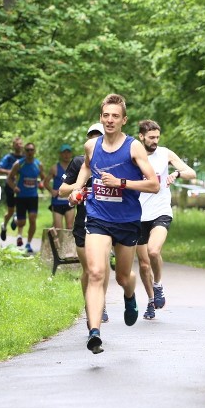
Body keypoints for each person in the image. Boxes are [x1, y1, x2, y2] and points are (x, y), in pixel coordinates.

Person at [67, 94, 159, 354]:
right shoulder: (91, 146)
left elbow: (153, 184)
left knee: (122, 276)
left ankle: (130, 296)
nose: (110, 120)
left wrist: (121, 183)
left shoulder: (133, 148)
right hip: (98, 217)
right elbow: (86, 168)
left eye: (115, 116)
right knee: (96, 272)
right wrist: (76, 189)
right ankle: (94, 332)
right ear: (100, 117)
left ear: (123, 120)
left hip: (128, 220)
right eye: (106, 115)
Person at [135, 120, 197, 320]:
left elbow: (191, 173)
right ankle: (151, 301)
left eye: (157, 138)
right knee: (144, 265)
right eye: (151, 137)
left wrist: (177, 173)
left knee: (154, 250)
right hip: (137, 214)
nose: (154, 141)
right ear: (141, 136)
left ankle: (158, 284)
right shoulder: (133, 154)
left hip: (161, 210)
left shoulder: (165, 153)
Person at [58, 123, 110, 322]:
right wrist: (79, 188)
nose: (94, 140)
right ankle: (90, 305)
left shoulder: (114, 163)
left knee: (101, 266)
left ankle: (100, 304)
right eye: (91, 137)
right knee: (89, 269)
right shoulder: (78, 162)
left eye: (99, 137)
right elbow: (62, 190)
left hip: (105, 222)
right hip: (83, 222)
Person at [6, 142, 45, 254]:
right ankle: (15, 219)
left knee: (32, 219)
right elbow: (9, 179)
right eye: (27, 150)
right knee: (22, 222)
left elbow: (43, 178)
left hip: (33, 196)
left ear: (34, 151)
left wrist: (42, 184)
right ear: (24, 151)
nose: (29, 152)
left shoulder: (38, 164)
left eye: (31, 150)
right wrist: (14, 187)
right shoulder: (19, 164)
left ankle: (28, 243)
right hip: (21, 196)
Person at [0, 136, 23, 241]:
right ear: (13, 146)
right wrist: (11, 172)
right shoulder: (8, 157)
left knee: (21, 209)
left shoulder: (25, 157)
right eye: (17, 144)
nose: (19, 146)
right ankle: (4, 225)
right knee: (10, 211)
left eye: (20, 144)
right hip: (10, 186)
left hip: (23, 188)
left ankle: (19, 236)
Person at [46, 144, 76, 230]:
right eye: (64, 152)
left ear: (71, 154)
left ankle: (67, 244)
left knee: (70, 227)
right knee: (58, 229)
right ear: (60, 154)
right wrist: (51, 191)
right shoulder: (55, 168)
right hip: (57, 202)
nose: (66, 155)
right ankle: (57, 242)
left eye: (68, 152)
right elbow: (46, 182)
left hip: (69, 201)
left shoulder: (74, 167)